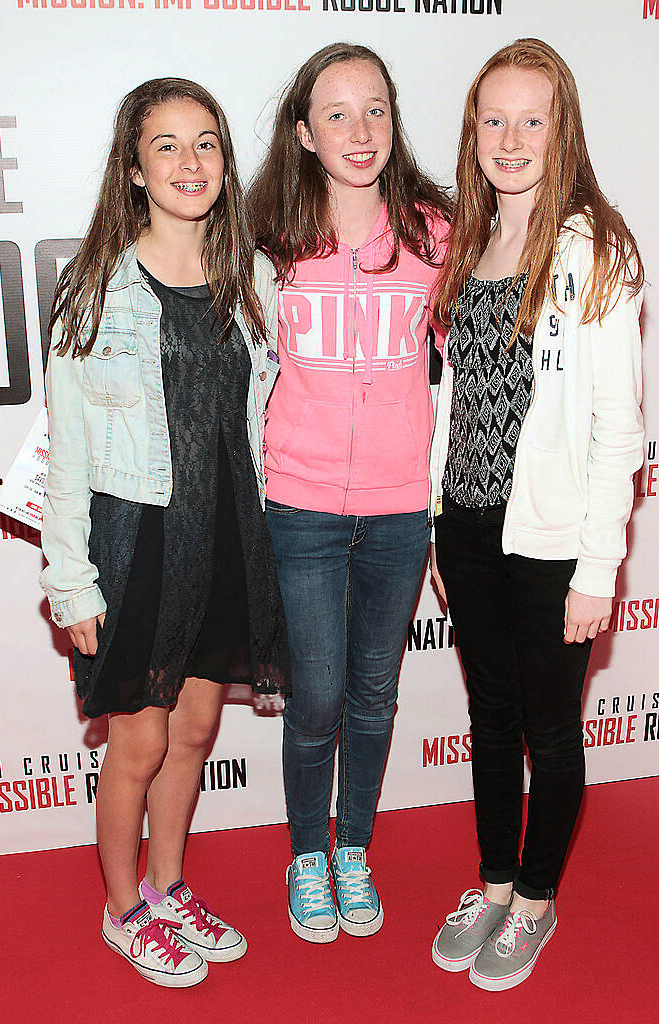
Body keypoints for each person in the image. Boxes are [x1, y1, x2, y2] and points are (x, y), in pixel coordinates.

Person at [40, 78, 290, 987]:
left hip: (228, 538)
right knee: (138, 744)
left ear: (225, 161)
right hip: (135, 543)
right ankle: (124, 910)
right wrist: (71, 582)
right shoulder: (93, 290)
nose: (190, 163)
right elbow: (66, 455)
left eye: (206, 143)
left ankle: (171, 883)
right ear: (134, 170)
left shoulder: (255, 278)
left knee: (190, 736)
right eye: (166, 146)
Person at [428, 39, 643, 990]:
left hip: (553, 539)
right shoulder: (468, 239)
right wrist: (440, 514)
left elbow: (616, 426)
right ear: (472, 131)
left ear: (564, 133)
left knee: (551, 730)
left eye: (532, 119)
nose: (510, 138)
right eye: (493, 119)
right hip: (467, 524)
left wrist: (599, 567)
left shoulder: (597, 246)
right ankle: (495, 881)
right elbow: (453, 393)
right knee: (491, 717)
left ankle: (538, 901)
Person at [248, 42, 451, 943]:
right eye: (336, 113)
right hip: (300, 506)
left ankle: (353, 850)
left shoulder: (435, 234)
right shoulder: (266, 239)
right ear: (303, 131)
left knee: (375, 695)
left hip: (404, 508)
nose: (359, 131)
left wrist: (450, 508)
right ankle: (304, 853)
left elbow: (468, 370)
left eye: (375, 109)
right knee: (319, 696)